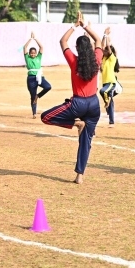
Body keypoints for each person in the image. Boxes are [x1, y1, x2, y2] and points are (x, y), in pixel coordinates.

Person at [41, 12, 103, 184]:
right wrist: (85, 27)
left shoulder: (74, 61)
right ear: (90, 48)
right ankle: (79, 176)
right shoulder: (97, 59)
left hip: (78, 104)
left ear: (77, 49)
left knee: (45, 117)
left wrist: (75, 25)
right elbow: (98, 40)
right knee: (86, 142)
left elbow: (62, 41)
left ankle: (76, 123)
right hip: (94, 104)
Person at [24, 32, 52, 119]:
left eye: (34, 53)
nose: (33, 54)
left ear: (36, 53)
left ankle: (38, 96)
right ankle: (34, 113)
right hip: (31, 78)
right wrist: (30, 39)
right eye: (31, 53)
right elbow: (25, 47)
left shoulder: (38, 57)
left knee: (48, 86)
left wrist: (35, 39)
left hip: (39, 76)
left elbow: (41, 47)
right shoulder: (27, 58)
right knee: (32, 96)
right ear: (29, 53)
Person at [99, 28, 119, 126]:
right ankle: (111, 121)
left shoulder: (112, 58)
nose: (104, 51)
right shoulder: (104, 59)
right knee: (110, 100)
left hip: (111, 82)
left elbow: (107, 46)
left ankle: (106, 102)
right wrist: (104, 35)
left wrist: (107, 36)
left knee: (103, 91)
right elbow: (102, 46)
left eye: (106, 50)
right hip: (105, 83)